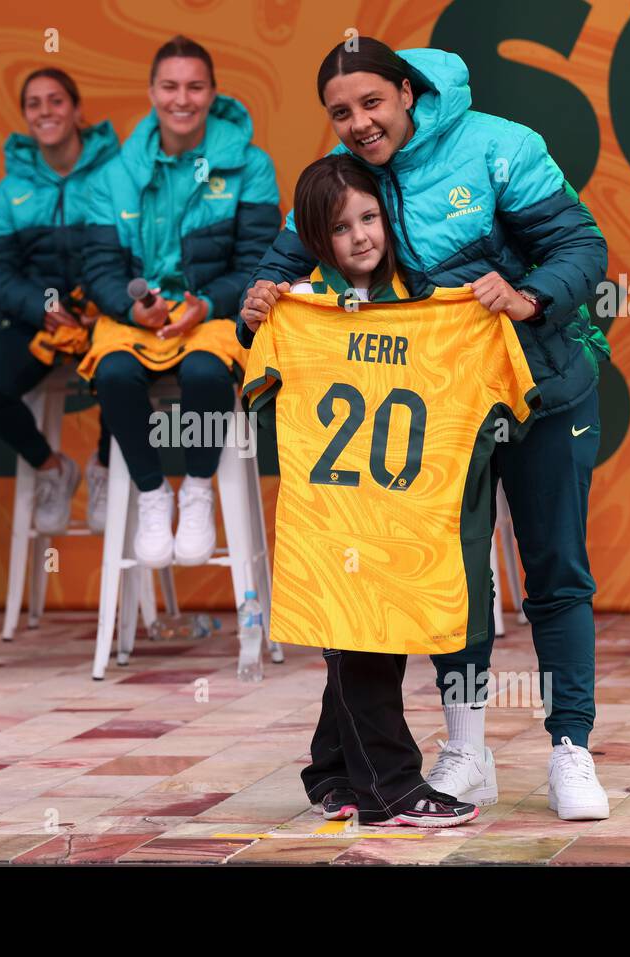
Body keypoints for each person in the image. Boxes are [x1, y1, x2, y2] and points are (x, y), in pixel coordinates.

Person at [239, 38, 612, 821]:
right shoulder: (349, 179)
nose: (359, 122)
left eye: (372, 103)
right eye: (340, 112)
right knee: (456, 581)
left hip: (543, 389)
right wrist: (262, 302)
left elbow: (582, 246)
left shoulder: (500, 146)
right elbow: (281, 269)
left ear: (407, 93)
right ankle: (466, 750)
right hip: (444, 416)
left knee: (556, 574)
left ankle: (570, 749)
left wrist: (530, 295)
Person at [270, 154, 480, 826]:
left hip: (397, 507)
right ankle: (392, 785)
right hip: (333, 510)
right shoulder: (298, 308)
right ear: (314, 240)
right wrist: (264, 316)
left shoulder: (425, 302)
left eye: (369, 217)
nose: (361, 235)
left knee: (370, 639)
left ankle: (332, 770)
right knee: (363, 638)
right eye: (341, 228)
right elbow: (260, 388)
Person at [79, 36, 280, 568]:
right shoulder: (115, 173)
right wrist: (131, 308)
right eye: (170, 86)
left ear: (213, 93)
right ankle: (151, 494)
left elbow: (261, 262)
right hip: (138, 318)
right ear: (151, 92)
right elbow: (99, 267)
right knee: (115, 375)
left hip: (213, 313)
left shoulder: (250, 165)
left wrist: (208, 303)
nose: (182, 99)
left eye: (195, 86)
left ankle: (196, 488)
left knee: (206, 373)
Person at [0, 67, 117, 534]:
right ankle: (52, 469)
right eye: (34, 104)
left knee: (123, 374)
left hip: (105, 315)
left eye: (55, 100)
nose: (45, 111)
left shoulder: (117, 175)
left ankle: (105, 470)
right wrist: (43, 307)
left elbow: (130, 252)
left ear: (76, 110)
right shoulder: (10, 191)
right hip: (38, 322)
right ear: (25, 116)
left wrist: (97, 306)